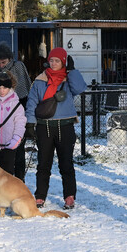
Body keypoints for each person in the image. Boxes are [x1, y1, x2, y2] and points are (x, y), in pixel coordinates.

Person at [25, 47, 85, 209]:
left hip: (65, 126)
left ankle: (69, 196)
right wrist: (30, 123)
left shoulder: (68, 79)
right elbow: (32, 102)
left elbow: (80, 88)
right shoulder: (40, 80)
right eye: (51, 60)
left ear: (63, 62)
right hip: (44, 127)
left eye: (57, 61)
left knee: (66, 164)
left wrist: (72, 71)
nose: (53, 63)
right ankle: (40, 196)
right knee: (43, 164)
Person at [0, 42, 31, 180]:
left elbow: (26, 88)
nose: (1, 65)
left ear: (9, 59)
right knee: (3, 151)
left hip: (18, 111)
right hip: (1, 115)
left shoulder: (18, 66)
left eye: (4, 62)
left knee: (18, 149)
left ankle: (19, 179)